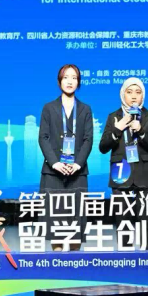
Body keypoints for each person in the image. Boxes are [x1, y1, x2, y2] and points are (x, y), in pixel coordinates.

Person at [99, 77, 148, 247]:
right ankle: (125, 257)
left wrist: (140, 130)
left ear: (143, 96)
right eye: (129, 92)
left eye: (138, 92)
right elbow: (103, 147)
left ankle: (147, 256)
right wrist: (118, 128)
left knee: (147, 220)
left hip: (144, 173)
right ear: (122, 94)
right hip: (120, 172)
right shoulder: (113, 117)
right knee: (123, 221)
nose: (134, 96)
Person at [38, 64, 93, 251]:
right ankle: (58, 260)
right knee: (56, 221)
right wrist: (55, 163)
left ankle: (75, 262)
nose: (70, 81)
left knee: (76, 221)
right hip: (53, 173)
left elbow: (88, 139)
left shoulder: (85, 109)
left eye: (74, 78)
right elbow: (43, 137)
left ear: (79, 82)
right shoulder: (48, 108)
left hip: (77, 173)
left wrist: (78, 164)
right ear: (59, 81)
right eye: (66, 77)